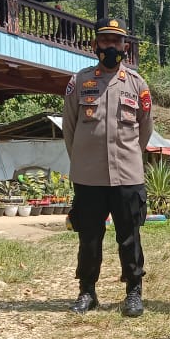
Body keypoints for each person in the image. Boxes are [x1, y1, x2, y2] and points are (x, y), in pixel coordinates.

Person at [63, 17, 153, 317]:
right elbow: (70, 129)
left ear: (125, 46)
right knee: (89, 237)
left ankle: (133, 292)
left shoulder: (138, 84)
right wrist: (83, 159)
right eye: (105, 41)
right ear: (94, 45)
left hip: (127, 175)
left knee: (129, 236)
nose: (111, 46)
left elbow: (145, 129)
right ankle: (87, 291)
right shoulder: (80, 81)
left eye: (116, 41)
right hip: (89, 176)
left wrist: (130, 157)